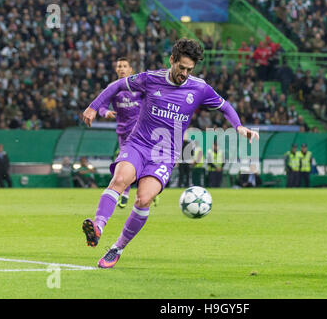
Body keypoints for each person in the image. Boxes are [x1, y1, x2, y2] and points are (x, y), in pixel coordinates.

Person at [81, 38, 259, 268]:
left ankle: (117, 248)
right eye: (181, 67)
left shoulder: (199, 88)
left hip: (165, 154)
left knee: (144, 199)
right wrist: (93, 106)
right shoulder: (150, 79)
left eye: (189, 70)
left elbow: (224, 106)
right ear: (172, 60)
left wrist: (239, 126)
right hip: (138, 144)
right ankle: (97, 227)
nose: (184, 73)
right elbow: (116, 86)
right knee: (120, 179)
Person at [95, 57, 143, 209]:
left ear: (131, 70)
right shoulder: (113, 88)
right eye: (119, 66)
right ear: (116, 70)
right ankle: (136, 192)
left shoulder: (140, 86)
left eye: (125, 66)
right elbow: (101, 106)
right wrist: (105, 113)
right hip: (123, 132)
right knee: (125, 164)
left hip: (139, 131)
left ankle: (128, 194)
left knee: (131, 162)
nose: (122, 69)